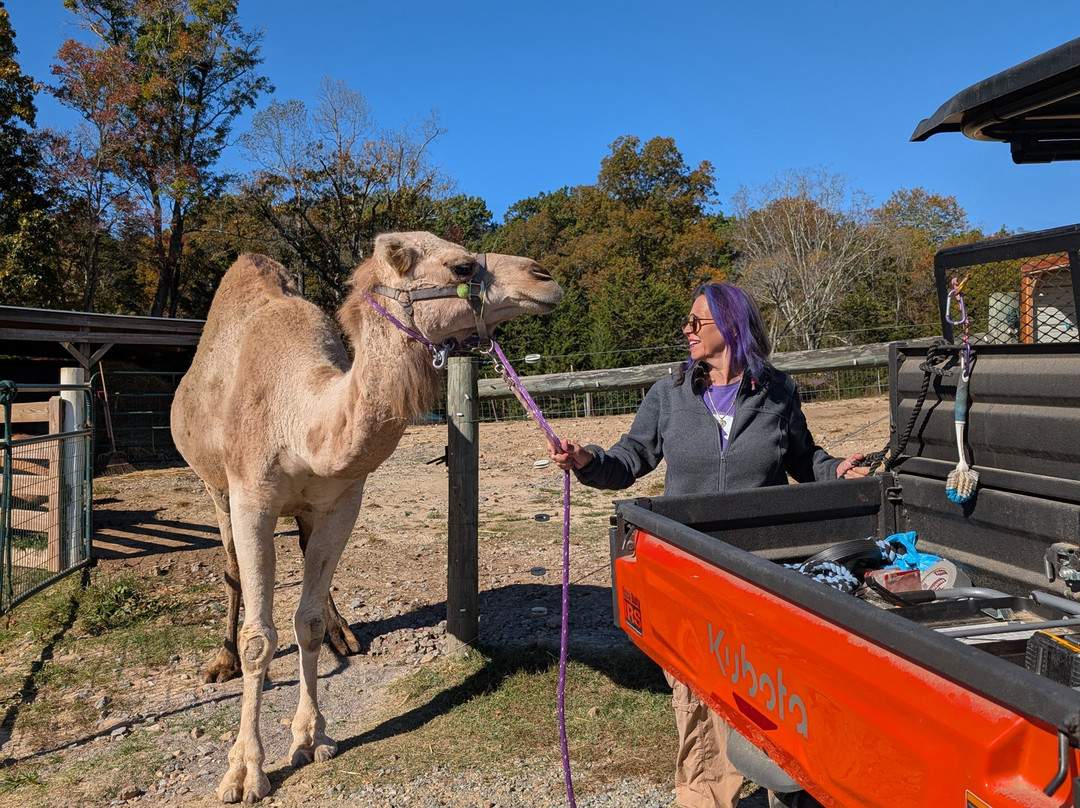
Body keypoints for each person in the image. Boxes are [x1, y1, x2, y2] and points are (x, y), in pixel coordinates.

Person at [549, 282, 869, 808]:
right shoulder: (668, 393)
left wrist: (837, 470)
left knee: (769, 695)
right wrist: (587, 460)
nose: (687, 330)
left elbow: (804, 460)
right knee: (698, 699)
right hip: (689, 570)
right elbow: (631, 460)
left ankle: (784, 793)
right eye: (688, 321)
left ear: (732, 327)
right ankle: (704, 799)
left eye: (698, 322)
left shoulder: (778, 392)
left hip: (762, 570)